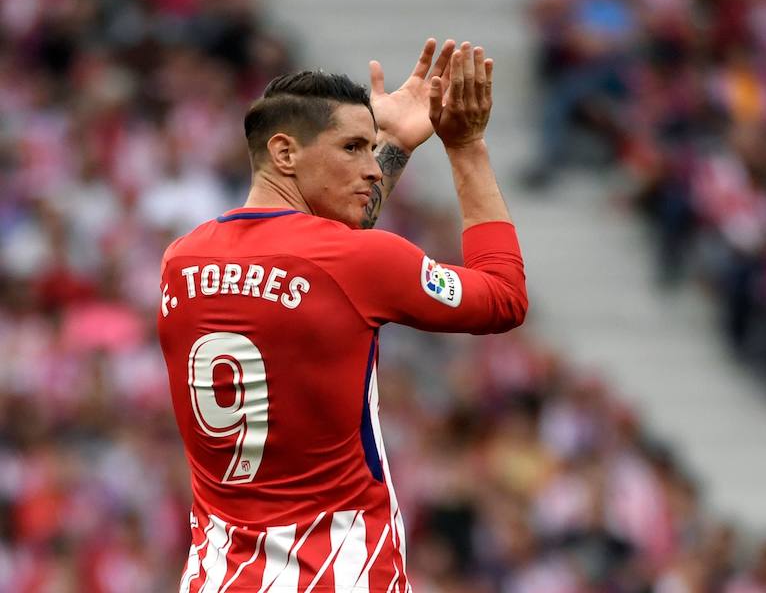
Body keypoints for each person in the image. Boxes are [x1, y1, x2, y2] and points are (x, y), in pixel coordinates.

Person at [156, 38, 528, 592]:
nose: (373, 170)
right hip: (341, 571)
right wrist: (467, 143)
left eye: (371, 148)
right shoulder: (355, 263)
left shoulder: (181, 259)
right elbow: (504, 296)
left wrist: (395, 141)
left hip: (218, 572)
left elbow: (328, 266)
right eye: (354, 148)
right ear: (285, 154)